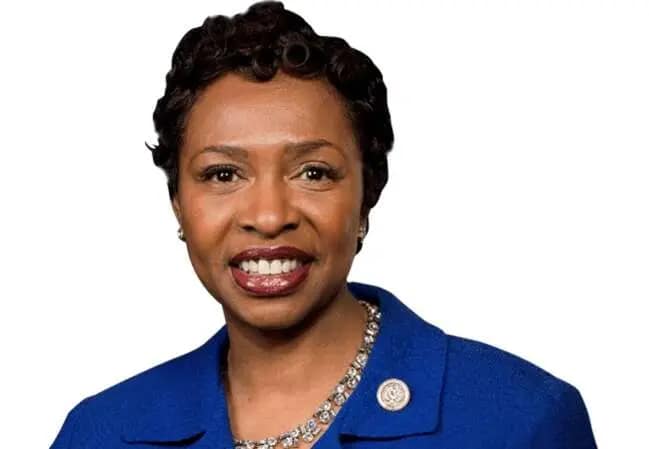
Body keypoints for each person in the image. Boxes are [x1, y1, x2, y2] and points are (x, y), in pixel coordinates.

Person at [50, 1, 598, 448]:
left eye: (313, 172)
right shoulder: (100, 433)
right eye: (223, 174)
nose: (269, 217)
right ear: (178, 205)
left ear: (367, 196)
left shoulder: (520, 420)